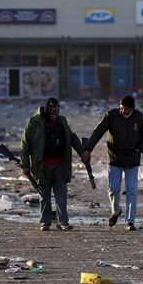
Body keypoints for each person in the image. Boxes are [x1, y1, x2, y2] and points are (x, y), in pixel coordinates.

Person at [20, 98, 90, 231]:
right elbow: (25, 144)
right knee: (44, 196)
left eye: (58, 108)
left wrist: (83, 152)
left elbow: (72, 138)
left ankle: (63, 222)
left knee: (61, 195)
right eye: (53, 108)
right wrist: (25, 165)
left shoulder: (62, 121)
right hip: (42, 166)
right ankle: (45, 222)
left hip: (60, 165)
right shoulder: (35, 122)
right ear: (47, 109)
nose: (56, 111)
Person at [84, 95, 143, 231]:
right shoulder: (111, 116)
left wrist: (140, 148)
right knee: (113, 189)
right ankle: (115, 211)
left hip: (132, 159)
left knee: (132, 190)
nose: (123, 111)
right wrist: (88, 149)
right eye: (121, 108)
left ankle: (130, 221)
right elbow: (98, 132)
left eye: (126, 109)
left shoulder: (139, 117)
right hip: (114, 159)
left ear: (132, 109)